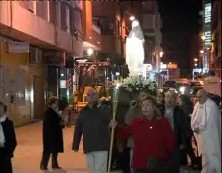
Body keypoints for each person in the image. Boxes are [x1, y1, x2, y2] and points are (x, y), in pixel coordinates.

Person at [112, 97, 176, 173]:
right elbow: (123, 133)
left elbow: (170, 141)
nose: (145, 108)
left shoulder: (163, 122)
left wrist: (167, 158)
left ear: (154, 107)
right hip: (140, 164)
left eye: (148, 105)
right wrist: (115, 127)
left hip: (158, 164)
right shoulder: (137, 123)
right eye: (143, 106)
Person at [72, 87, 112, 173]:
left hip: (101, 147)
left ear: (97, 96)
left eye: (93, 94)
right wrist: (75, 144)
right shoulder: (83, 111)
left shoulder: (104, 110)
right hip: (89, 147)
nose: (91, 97)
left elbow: (112, 121)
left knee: (100, 171)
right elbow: (78, 128)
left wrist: (113, 123)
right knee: (92, 171)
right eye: (89, 95)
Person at [191, 89, 221, 173]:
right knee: (204, 155)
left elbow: (209, 121)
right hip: (201, 136)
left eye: (200, 97)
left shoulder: (211, 106)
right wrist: (194, 127)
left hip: (210, 136)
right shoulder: (197, 104)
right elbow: (195, 117)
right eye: (197, 97)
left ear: (205, 96)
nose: (198, 99)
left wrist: (199, 128)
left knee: (212, 154)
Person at [124, 91, 150, 173]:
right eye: (141, 96)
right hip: (135, 145)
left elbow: (157, 117)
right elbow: (127, 121)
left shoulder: (152, 108)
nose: (143, 98)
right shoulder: (135, 108)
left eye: (145, 96)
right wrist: (132, 108)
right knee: (134, 167)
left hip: (148, 145)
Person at [164, 90, 189, 171]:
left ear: (175, 99)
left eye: (172, 97)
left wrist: (182, 142)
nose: (169, 99)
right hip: (161, 141)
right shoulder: (160, 110)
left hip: (175, 141)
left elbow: (183, 128)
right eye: (167, 97)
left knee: (174, 164)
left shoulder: (179, 112)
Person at [40, 96, 64, 170]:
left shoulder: (55, 110)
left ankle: (55, 164)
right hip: (50, 134)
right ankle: (44, 165)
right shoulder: (48, 112)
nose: (58, 104)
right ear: (53, 103)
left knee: (55, 150)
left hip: (55, 133)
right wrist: (59, 123)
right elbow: (49, 124)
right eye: (56, 102)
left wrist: (61, 123)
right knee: (47, 150)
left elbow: (58, 120)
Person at [177, 94, 198, 168]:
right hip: (187, 130)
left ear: (183, 100)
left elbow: (185, 119)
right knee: (187, 147)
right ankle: (193, 161)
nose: (178, 102)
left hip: (187, 131)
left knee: (188, 147)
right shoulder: (186, 107)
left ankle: (195, 162)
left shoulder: (185, 108)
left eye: (179, 100)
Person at [0, 101, 17, 173]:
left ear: (4, 110)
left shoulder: (8, 123)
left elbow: (13, 141)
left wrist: (8, 153)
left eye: (1, 109)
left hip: (4, 152)